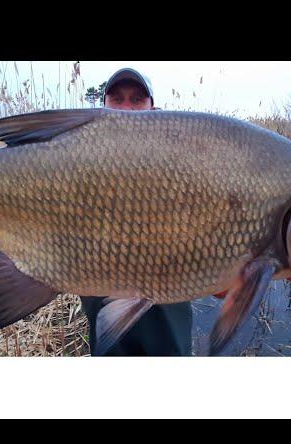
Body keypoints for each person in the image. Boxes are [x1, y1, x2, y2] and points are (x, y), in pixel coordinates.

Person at [81, 67, 225, 356]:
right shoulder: (77, 173)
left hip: (165, 330)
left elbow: (221, 284)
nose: (126, 110)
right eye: (117, 99)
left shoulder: (183, 177)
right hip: (108, 332)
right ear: (103, 108)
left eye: (136, 100)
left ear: (154, 110)